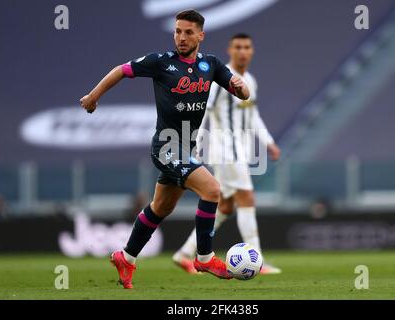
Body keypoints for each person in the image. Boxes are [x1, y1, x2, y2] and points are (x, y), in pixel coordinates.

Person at [80, 10, 250, 289]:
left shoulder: (212, 65)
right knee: (212, 189)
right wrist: (93, 97)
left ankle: (126, 257)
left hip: (186, 146)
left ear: (200, 35)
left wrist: (241, 88)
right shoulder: (161, 62)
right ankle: (205, 257)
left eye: (188, 32)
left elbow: (241, 93)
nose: (181, 37)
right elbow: (121, 71)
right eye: (177, 31)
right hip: (166, 146)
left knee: (161, 207)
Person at [172, 33, 282, 274]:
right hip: (225, 149)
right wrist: (196, 144)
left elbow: (253, 116)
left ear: (252, 51)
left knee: (225, 207)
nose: (243, 51)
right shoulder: (221, 79)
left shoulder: (249, 80)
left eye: (247, 47)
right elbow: (203, 112)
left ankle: (184, 253)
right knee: (247, 198)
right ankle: (257, 259)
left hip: (240, 150)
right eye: (238, 47)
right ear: (230, 50)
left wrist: (269, 142)